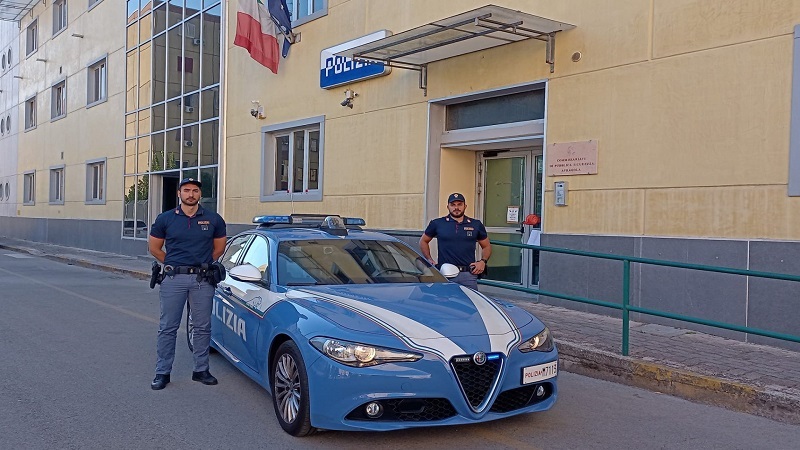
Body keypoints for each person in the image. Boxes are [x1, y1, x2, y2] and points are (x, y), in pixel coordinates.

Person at [148, 177, 227, 390]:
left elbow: (219, 248)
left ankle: (201, 370)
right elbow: (154, 248)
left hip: (202, 279)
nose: (190, 194)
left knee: (202, 327)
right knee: (168, 327)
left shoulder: (213, 219)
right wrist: (174, 264)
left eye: (195, 190)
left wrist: (201, 263)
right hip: (174, 279)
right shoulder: (165, 219)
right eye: (186, 190)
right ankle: (162, 372)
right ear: (179, 193)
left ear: (200, 194)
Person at [419, 192, 491, 290]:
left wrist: (483, 262)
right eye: (453, 205)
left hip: (468, 275)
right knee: (445, 299)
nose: (456, 208)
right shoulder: (437, 223)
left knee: (469, 299)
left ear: (465, 206)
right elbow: (423, 241)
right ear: (448, 207)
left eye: (459, 204)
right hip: (445, 274)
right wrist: (429, 259)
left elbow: (486, 246)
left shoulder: (476, 224)